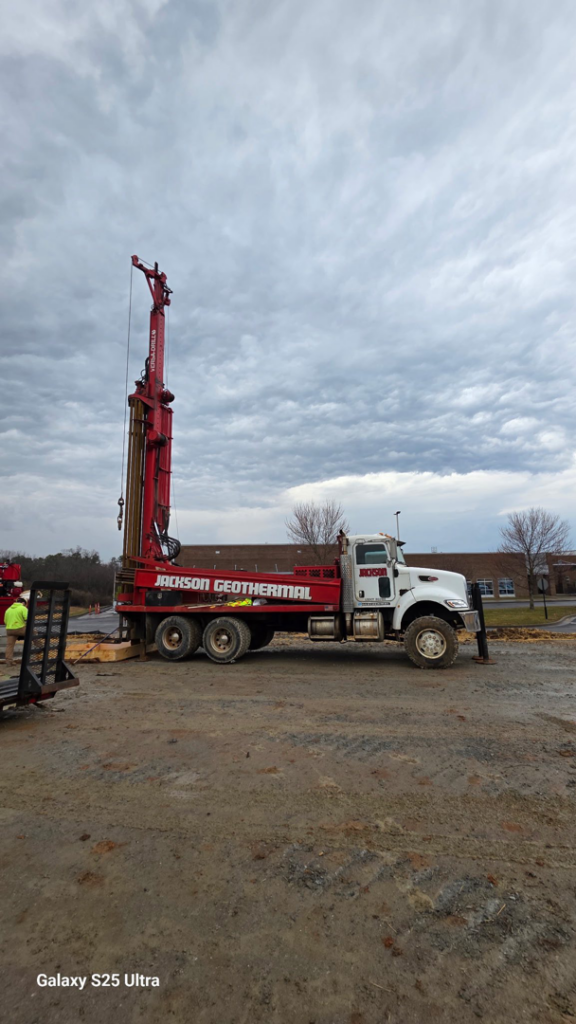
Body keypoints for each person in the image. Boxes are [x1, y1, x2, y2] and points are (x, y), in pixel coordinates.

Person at [4, 597, 28, 667]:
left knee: (10, 645)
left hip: (9, 630)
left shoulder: (8, 610)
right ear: (23, 603)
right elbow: (27, 618)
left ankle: (9, 661)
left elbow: (5, 621)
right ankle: (40, 649)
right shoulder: (23, 608)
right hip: (20, 629)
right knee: (34, 633)